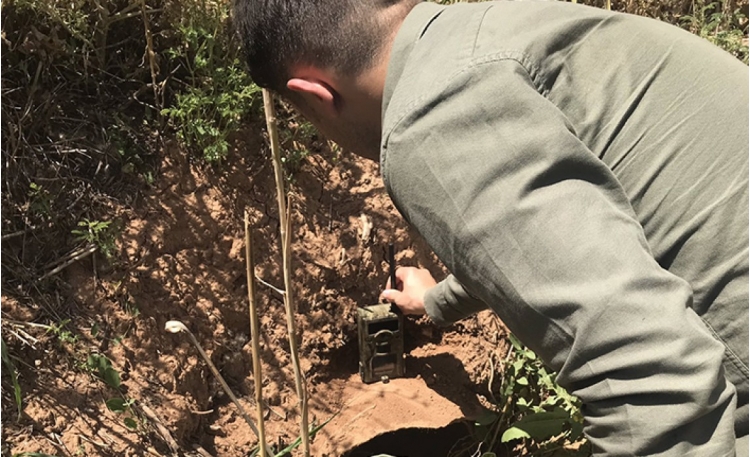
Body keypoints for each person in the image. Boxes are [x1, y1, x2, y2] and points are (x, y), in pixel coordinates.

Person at [233, 0, 749, 454]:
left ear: (317, 95)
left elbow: (649, 381)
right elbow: (563, 238)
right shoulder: (497, 30)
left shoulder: (425, 119)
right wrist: (436, 301)